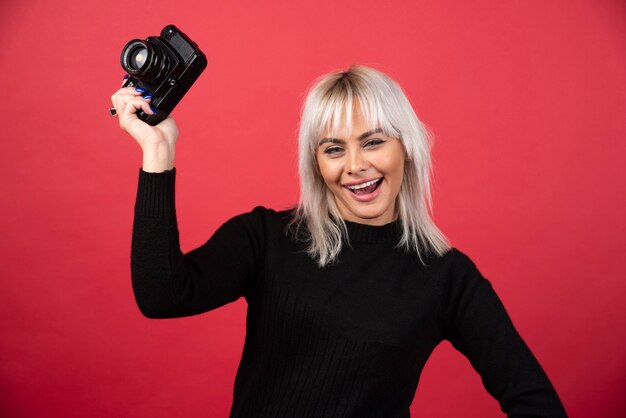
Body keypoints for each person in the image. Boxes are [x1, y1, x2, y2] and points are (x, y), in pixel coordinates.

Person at [111, 66, 568, 417]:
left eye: (373, 142)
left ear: (405, 147)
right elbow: (162, 297)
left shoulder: (446, 276)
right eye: (333, 149)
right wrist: (158, 153)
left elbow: (536, 402)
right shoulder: (268, 238)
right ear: (316, 163)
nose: (354, 166)